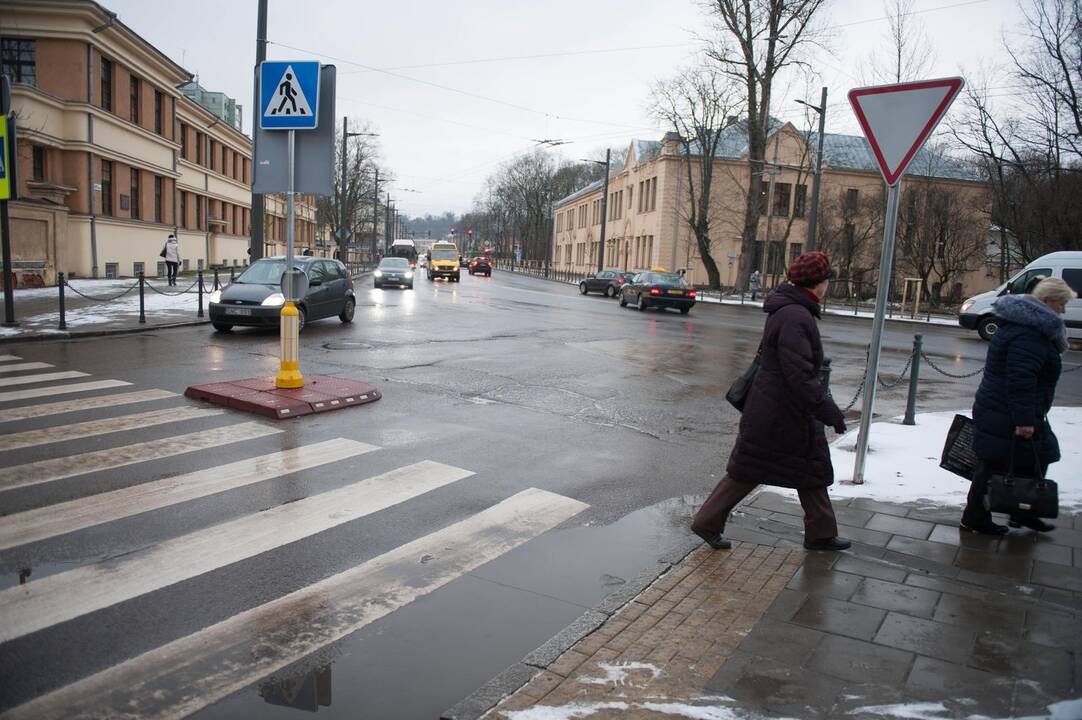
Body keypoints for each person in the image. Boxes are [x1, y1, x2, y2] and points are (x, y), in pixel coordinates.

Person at [692, 251, 851, 552]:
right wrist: (830, 411)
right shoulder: (795, 315)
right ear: (817, 283)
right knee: (748, 470)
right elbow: (800, 375)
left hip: (781, 409)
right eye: (827, 280)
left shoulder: (792, 309)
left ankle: (821, 533)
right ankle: (707, 521)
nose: (828, 285)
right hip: (779, 412)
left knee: (810, 469)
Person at [961, 277, 1075, 535]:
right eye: (1062, 303)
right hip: (1008, 410)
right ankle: (976, 518)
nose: (1064, 310)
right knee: (994, 463)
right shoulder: (1030, 333)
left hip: (1005, 407)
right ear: (1048, 301)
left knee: (1032, 458)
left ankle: (1022, 511)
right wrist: (1024, 420)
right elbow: (1021, 380)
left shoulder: (1028, 326)